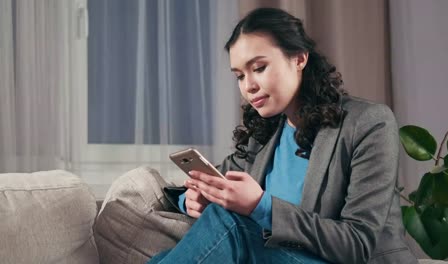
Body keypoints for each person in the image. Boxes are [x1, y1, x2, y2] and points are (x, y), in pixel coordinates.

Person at [141, 7, 417, 264]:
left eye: (259, 68)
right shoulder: (264, 136)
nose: (248, 86)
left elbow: (357, 243)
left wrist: (261, 206)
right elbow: (216, 180)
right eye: (239, 75)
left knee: (229, 223)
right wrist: (191, 199)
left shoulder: (368, 123)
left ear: (299, 58)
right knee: (164, 257)